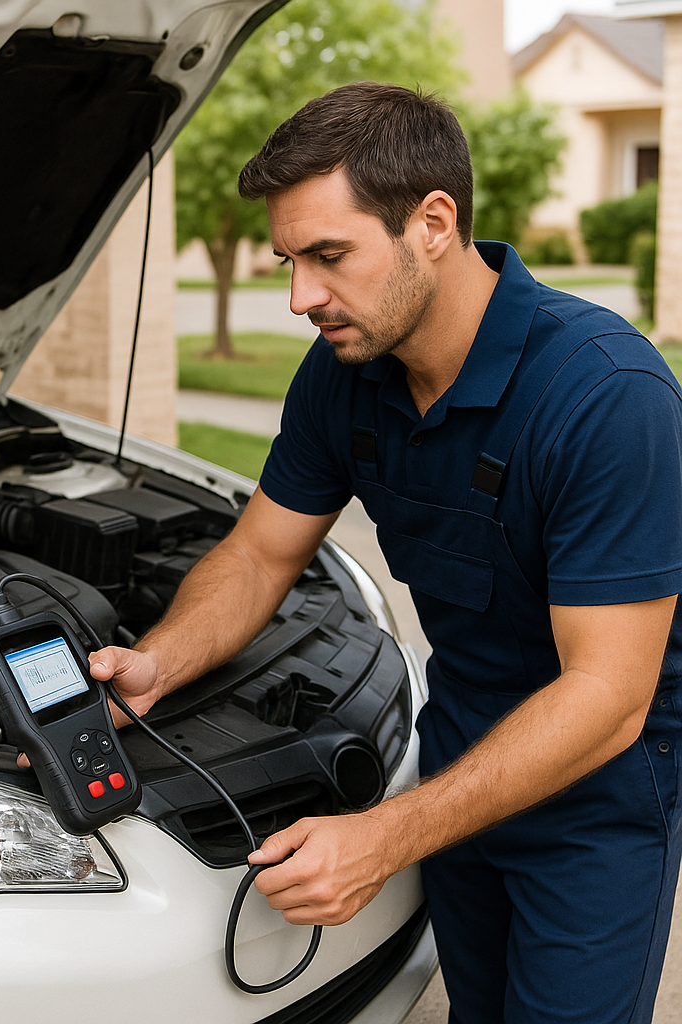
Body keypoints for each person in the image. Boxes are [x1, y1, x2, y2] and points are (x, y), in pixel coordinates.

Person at [92, 82, 682, 1022]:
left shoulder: (608, 397)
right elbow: (260, 556)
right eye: (288, 261)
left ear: (433, 223)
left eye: (329, 256)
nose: (302, 298)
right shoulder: (346, 375)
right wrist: (159, 663)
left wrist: (384, 837)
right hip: (455, 745)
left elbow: (608, 696)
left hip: (595, 793)